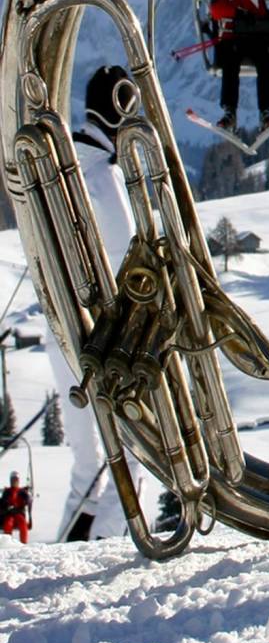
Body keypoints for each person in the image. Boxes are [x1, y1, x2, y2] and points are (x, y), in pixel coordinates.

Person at [47, 64, 143, 540]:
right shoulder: (104, 177)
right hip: (102, 338)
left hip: (59, 328)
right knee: (137, 450)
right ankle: (103, 548)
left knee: (87, 465)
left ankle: (70, 548)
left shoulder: (59, 169)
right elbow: (132, 257)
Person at [209, 0, 269, 131]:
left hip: (252, 41)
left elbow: (263, 14)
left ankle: (265, 111)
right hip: (230, 40)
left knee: (265, 59)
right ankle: (230, 111)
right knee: (230, 60)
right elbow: (215, 10)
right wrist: (237, 12)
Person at [1, 471, 32, 544]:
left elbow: (27, 499)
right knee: (8, 524)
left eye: (16, 480)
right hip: (10, 513)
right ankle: (7, 543)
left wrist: (28, 499)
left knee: (23, 524)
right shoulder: (7, 491)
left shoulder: (22, 491)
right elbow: (3, 501)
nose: (14, 482)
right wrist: (7, 505)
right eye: (13, 480)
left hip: (19, 512)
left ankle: (23, 543)